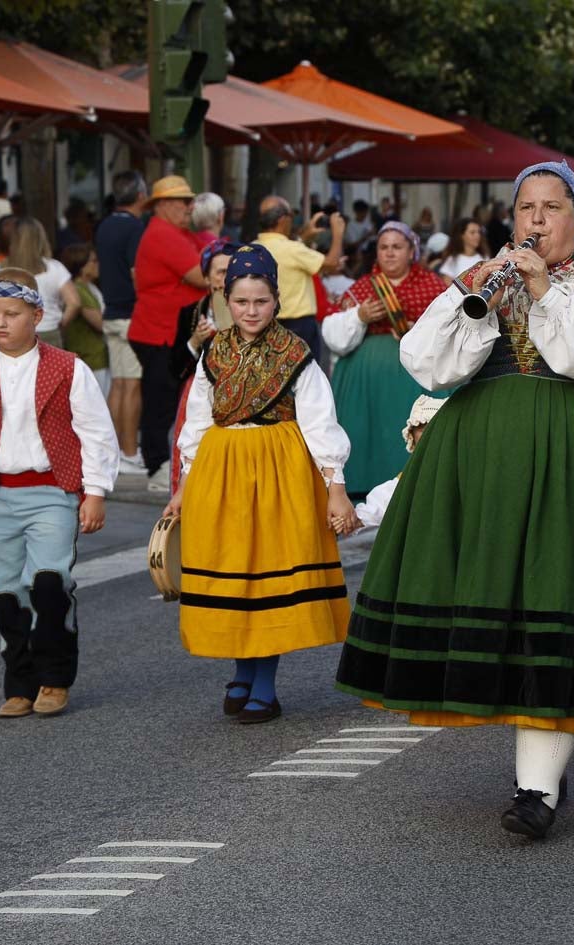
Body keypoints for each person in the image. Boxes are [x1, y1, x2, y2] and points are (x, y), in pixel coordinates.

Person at [336, 161, 574, 840]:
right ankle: (542, 762)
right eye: (525, 209)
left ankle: (534, 788)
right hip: (484, 456)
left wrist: (547, 291)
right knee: (505, 613)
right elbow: (427, 363)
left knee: (555, 602)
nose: (535, 220)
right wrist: (463, 292)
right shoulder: (486, 277)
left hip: (573, 453)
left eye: (550, 208)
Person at [166, 245, 355, 724]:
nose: (251, 311)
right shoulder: (214, 351)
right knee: (235, 571)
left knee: (267, 573)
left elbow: (320, 423)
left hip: (279, 471)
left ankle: (264, 682)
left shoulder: (296, 355)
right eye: (243, 301)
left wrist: (335, 486)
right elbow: (197, 421)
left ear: (278, 301)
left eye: (262, 301)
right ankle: (243, 668)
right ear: (227, 299)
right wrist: (186, 483)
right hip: (221, 471)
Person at [0, 267, 119, 718]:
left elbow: (95, 432)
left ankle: (54, 678)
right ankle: (19, 682)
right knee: (7, 593)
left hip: (54, 492)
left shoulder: (68, 368)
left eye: (12, 313)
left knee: (50, 584)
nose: (0, 323)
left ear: (37, 315)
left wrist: (94, 491)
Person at [321, 222, 445, 496]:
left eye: (397, 247)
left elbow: (451, 327)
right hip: (365, 387)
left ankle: (418, 489)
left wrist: (420, 331)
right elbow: (332, 333)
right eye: (383, 247)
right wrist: (359, 317)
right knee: (368, 435)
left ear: (411, 251)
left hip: (415, 381)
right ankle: (361, 492)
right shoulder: (363, 288)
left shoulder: (432, 286)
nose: (389, 253)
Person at [128, 176, 209, 492]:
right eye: (183, 201)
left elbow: (209, 259)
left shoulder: (176, 233)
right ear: (161, 205)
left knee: (168, 397)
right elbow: (202, 275)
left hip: (166, 331)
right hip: (158, 331)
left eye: (190, 200)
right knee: (160, 400)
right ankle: (157, 466)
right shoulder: (164, 235)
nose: (190, 206)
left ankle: (163, 463)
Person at [168, 239, 237, 493]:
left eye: (232, 271)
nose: (227, 278)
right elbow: (174, 369)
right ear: (207, 279)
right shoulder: (191, 313)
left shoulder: (252, 309)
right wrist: (194, 341)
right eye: (220, 272)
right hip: (200, 398)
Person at [95, 170, 147, 477]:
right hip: (130, 313)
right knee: (132, 385)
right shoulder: (135, 228)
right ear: (140, 196)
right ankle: (128, 452)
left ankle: (113, 450)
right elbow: (136, 272)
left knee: (118, 383)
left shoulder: (104, 226)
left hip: (111, 310)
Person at [256, 195, 344, 360]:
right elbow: (332, 263)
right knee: (306, 380)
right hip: (299, 326)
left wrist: (304, 236)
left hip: (266, 325)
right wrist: (338, 233)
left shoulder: (253, 247)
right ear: (283, 220)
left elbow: (288, 251)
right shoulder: (293, 250)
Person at [354, 393, 443, 529]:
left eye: (435, 429)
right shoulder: (409, 479)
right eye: (421, 428)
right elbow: (382, 503)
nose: (429, 434)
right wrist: (353, 519)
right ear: (412, 436)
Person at [5, 217, 80, 349]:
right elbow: (74, 303)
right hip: (48, 331)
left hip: (11, 332)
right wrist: (60, 325)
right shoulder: (55, 268)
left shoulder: (2, 269)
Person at [57, 242, 110, 395]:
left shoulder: (90, 287)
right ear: (81, 266)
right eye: (93, 261)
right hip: (89, 358)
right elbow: (100, 323)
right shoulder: (78, 290)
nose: (98, 264)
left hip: (97, 356)